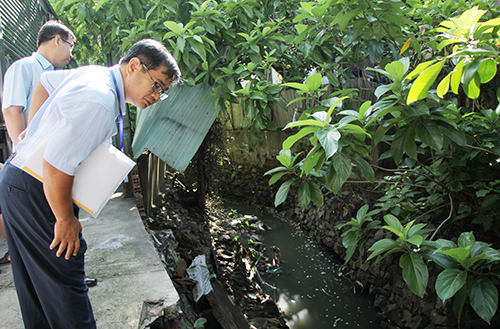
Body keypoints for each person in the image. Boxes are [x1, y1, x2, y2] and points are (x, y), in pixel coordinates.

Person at [0, 38, 181, 329]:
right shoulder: (99, 97)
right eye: (156, 85)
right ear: (134, 66)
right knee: (65, 285)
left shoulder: (95, 74)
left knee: (37, 288)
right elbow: (56, 164)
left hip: (21, 182)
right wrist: (64, 219)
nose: (156, 96)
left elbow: (45, 83)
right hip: (35, 188)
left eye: (163, 92)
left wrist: (32, 134)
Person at [0, 20, 75, 268]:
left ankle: (64, 272)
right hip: (31, 165)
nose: (71, 53)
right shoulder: (25, 68)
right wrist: (24, 155)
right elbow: (12, 110)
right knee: (44, 225)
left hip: (51, 164)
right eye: (70, 45)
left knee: (56, 224)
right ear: (57, 40)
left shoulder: (54, 75)